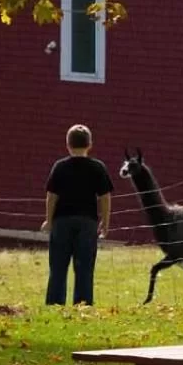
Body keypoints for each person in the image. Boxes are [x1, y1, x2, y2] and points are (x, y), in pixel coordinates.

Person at [40, 125, 113, 306]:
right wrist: (105, 222)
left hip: (62, 221)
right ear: (90, 145)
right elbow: (105, 197)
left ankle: (55, 303)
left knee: (58, 266)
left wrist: (49, 220)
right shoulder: (97, 167)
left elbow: (51, 196)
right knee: (84, 267)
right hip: (87, 222)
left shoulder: (60, 167)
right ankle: (83, 304)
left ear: (68, 144)